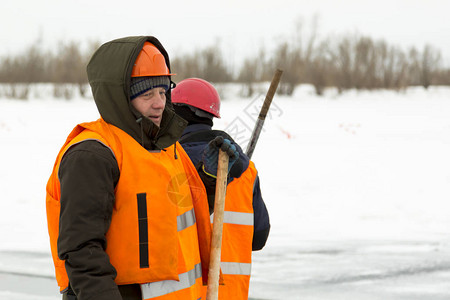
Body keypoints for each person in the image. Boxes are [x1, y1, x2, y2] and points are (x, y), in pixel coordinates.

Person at [46, 37, 238, 300]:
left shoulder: (164, 146)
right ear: (119, 97)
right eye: (147, 94)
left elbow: (174, 215)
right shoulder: (93, 155)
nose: (159, 103)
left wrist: (210, 176)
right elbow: (82, 252)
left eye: (162, 92)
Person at [172, 78, 271, 300]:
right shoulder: (247, 171)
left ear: (179, 114)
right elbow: (259, 237)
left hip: (184, 292)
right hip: (232, 293)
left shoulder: (173, 162)